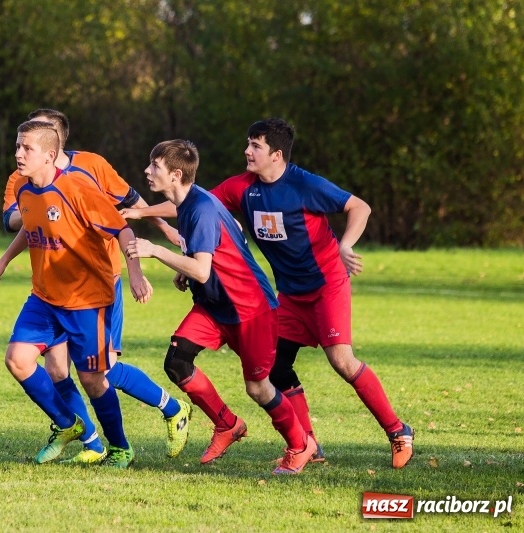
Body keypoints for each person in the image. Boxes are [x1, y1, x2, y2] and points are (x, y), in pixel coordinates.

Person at [122, 119, 414, 469]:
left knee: (341, 361)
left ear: (276, 155)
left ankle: (398, 431)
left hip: (326, 285)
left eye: (255, 146)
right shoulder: (242, 187)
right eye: (248, 143)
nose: (247, 151)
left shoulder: (304, 184)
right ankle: (308, 444)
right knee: (276, 369)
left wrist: (346, 245)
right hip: (288, 293)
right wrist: (144, 212)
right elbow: (192, 201)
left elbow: (360, 207)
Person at [2, 109, 191, 464]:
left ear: (50, 151)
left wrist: (136, 272)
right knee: (20, 360)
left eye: (26, 148)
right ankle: (72, 427)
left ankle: (122, 444)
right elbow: (30, 224)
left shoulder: (80, 184)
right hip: (45, 297)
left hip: (87, 298)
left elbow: (122, 226)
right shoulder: (22, 187)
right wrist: (2, 261)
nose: (18, 154)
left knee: (96, 377)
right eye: (18, 146)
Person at [126, 139, 317, 474]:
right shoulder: (190, 201)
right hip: (214, 306)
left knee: (259, 387)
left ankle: (301, 445)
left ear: (176, 175)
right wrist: (184, 264)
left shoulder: (201, 208)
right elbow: (217, 243)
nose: (147, 171)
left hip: (248, 309)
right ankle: (227, 424)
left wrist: (156, 251)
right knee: (177, 362)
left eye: (155, 165)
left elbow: (202, 269)